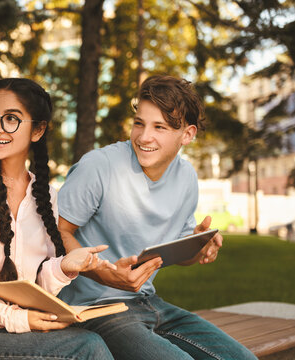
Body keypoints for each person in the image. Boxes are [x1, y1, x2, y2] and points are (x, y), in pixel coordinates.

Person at [57, 74, 257, 360]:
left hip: (148, 302)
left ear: (187, 135)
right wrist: (106, 274)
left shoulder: (186, 177)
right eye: (139, 123)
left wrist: (197, 246)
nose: (143, 136)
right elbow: (56, 233)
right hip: (94, 309)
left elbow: (175, 255)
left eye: (159, 127)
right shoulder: (99, 166)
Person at [0, 78, 116, 359]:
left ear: (38, 129)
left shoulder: (46, 196)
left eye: (11, 119)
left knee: (93, 339)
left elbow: (32, 289)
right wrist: (18, 320)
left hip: (14, 326)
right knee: (87, 348)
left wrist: (64, 267)